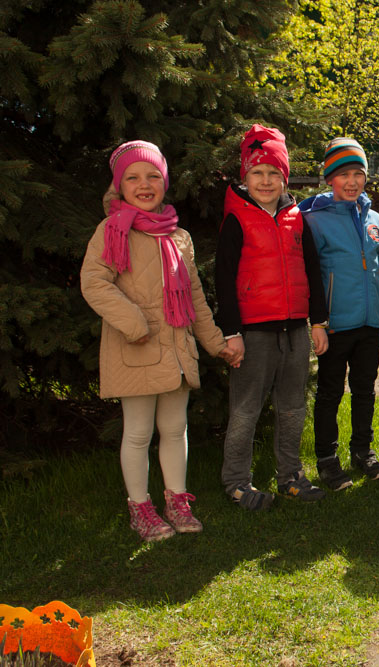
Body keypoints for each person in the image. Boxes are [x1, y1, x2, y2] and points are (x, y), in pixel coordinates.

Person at [81, 140, 233, 541]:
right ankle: (140, 508)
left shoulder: (179, 236)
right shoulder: (112, 230)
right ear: (120, 185)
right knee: (137, 432)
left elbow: (195, 297)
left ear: (164, 182)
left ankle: (176, 500)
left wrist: (216, 343)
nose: (143, 184)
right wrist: (134, 322)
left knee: (175, 427)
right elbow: (94, 283)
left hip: (177, 350)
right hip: (136, 348)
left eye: (152, 176)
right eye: (133, 177)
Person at [215, 125, 329, 510]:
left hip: (295, 328)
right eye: (257, 173)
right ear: (244, 177)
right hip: (253, 331)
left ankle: (290, 476)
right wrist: (231, 332)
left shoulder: (296, 217)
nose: (266, 181)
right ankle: (236, 482)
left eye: (274, 174)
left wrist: (318, 321)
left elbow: (312, 268)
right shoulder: (236, 220)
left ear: (284, 177)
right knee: (246, 408)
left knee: (293, 406)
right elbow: (224, 279)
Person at [301, 137, 379, 488]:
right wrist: (318, 323)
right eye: (343, 175)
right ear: (329, 179)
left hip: (369, 323)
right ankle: (326, 458)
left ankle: (362, 451)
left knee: (365, 390)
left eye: (358, 173)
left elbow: (378, 269)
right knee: (331, 392)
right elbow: (311, 276)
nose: (352, 182)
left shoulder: (375, 219)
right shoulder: (315, 221)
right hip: (335, 324)